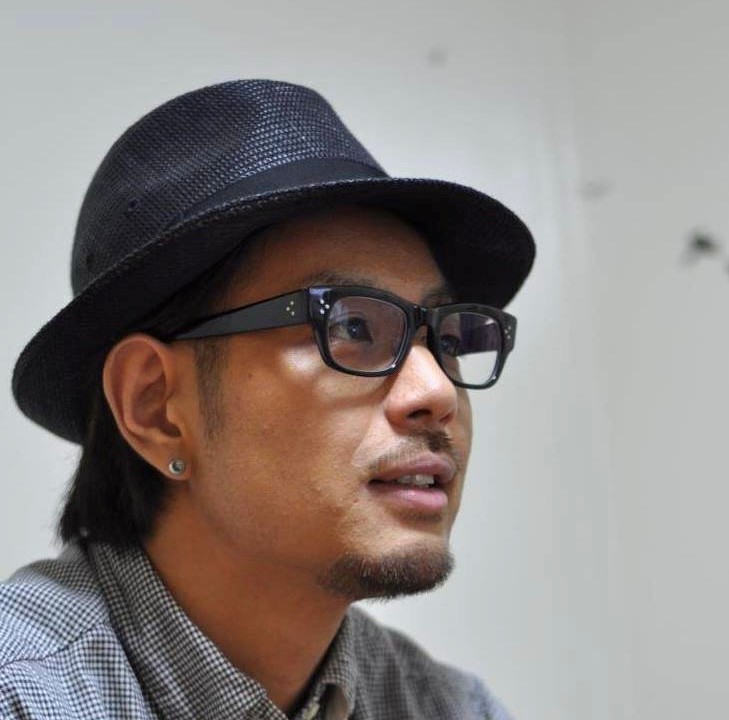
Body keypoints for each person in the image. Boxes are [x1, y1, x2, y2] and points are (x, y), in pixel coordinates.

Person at [0, 79, 534, 720]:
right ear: (155, 406)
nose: (438, 392)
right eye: (352, 326)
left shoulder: (451, 709)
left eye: (446, 340)